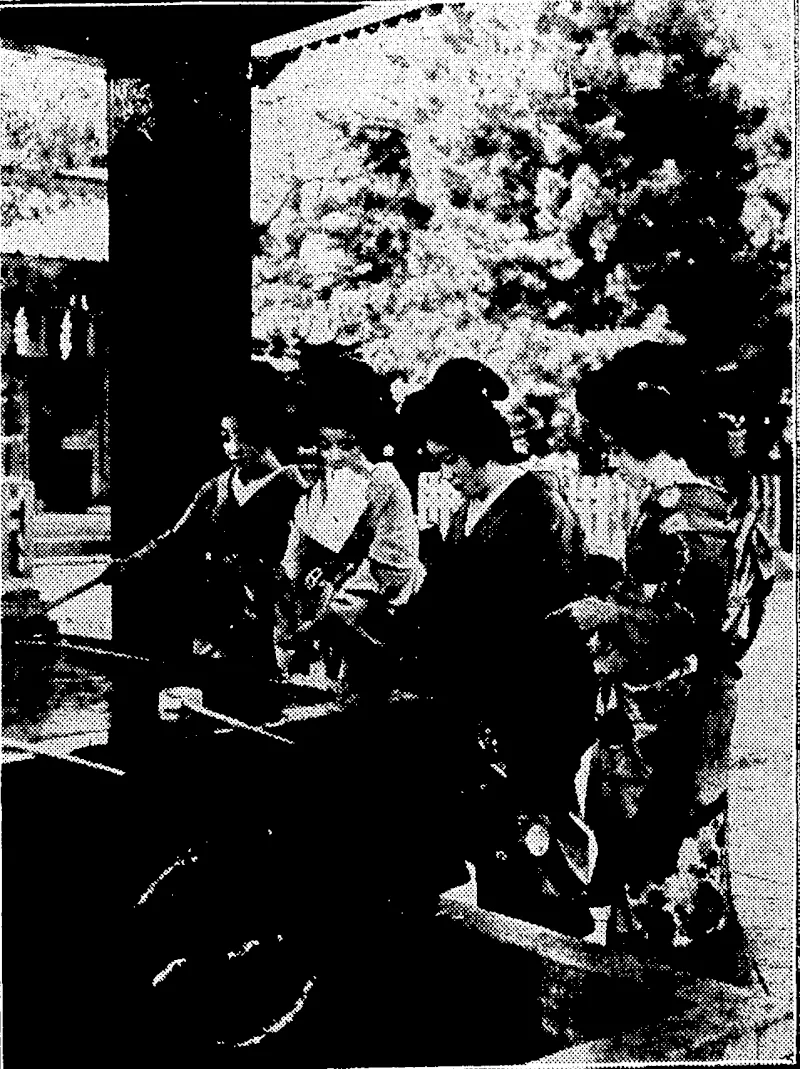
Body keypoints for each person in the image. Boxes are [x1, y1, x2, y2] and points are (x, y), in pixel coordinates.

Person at [555, 352, 776, 981]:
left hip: (676, 696)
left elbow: (691, 616)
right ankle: (675, 970)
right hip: (658, 691)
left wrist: (597, 615)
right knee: (647, 834)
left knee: (668, 836)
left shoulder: (687, 498)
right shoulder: (686, 491)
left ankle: (692, 985)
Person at [405, 358, 598, 935]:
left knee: (540, 826)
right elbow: (438, 597)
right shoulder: (465, 508)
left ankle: (570, 947)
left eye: (442, 459)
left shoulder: (534, 505)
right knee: (496, 836)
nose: (435, 475)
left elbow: (508, 609)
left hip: (535, 686)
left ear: (472, 447)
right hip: (485, 687)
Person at [100, 365, 305, 722]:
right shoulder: (215, 487)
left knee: (258, 703)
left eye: (245, 437)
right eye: (226, 437)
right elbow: (176, 538)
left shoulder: (292, 486)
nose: (234, 448)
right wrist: (129, 563)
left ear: (266, 433)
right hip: (218, 609)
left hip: (266, 612)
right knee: (214, 700)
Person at [278, 358, 424, 703]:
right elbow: (292, 562)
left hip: (371, 622)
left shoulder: (384, 482)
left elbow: (393, 568)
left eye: (347, 446)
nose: (336, 457)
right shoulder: (315, 489)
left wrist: (333, 597)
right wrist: (290, 599)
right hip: (313, 627)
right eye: (327, 446)